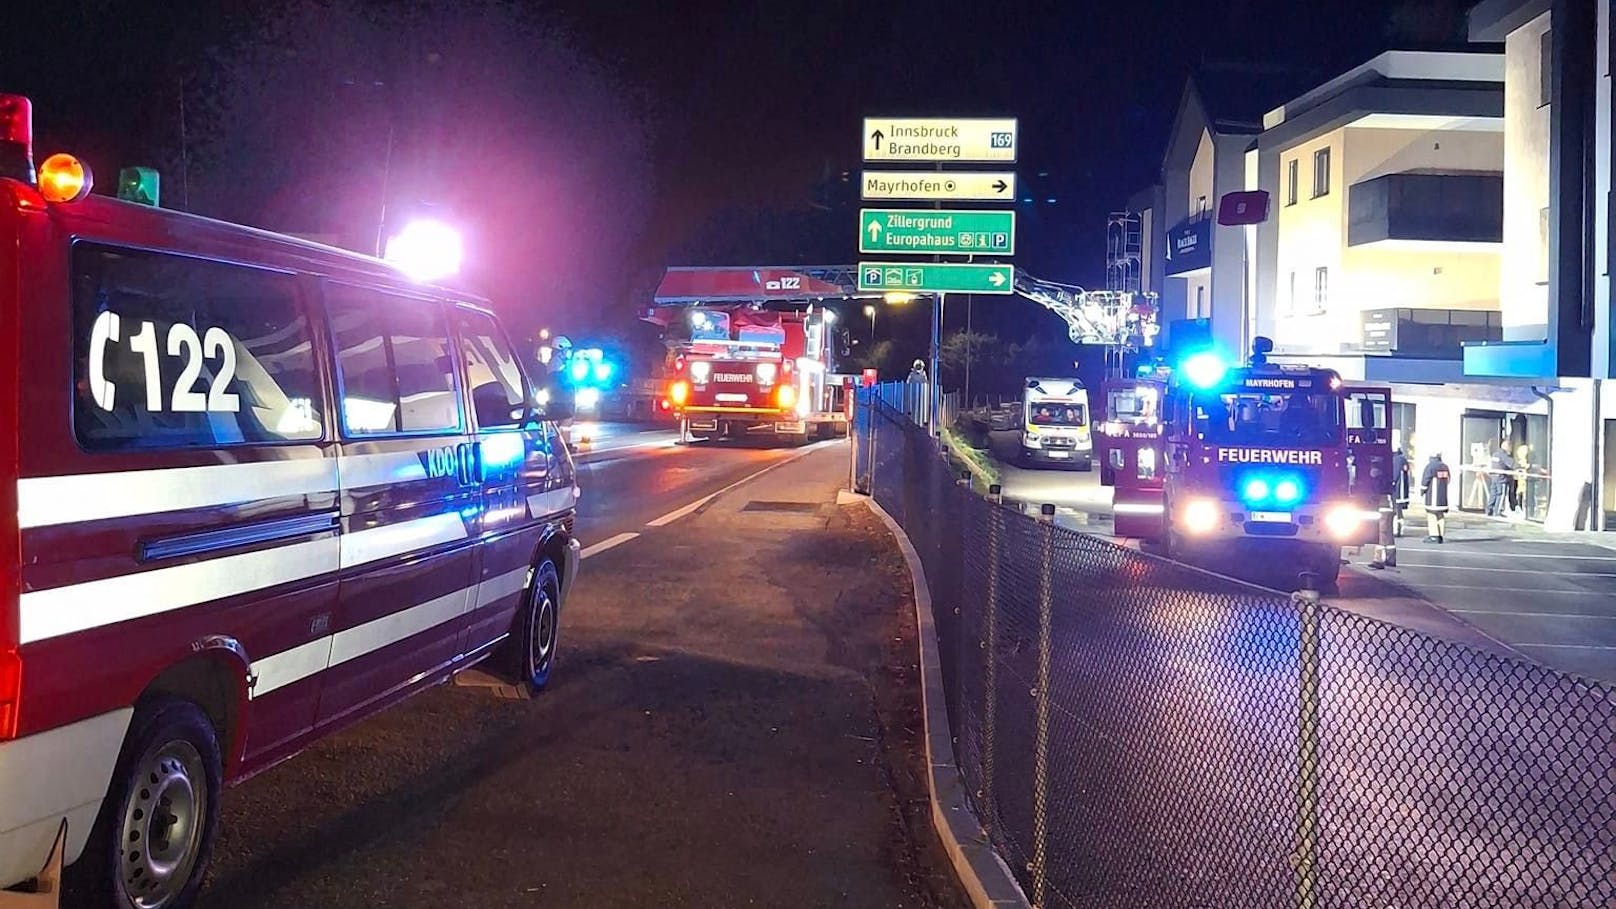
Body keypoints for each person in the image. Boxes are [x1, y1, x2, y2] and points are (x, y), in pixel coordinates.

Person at [1421, 452, 1452, 543]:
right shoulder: (1445, 467)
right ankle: (1440, 535)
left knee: (1431, 515)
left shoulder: (1430, 466)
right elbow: (1448, 480)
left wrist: (1422, 491)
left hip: (1433, 497)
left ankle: (1434, 536)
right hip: (1442, 497)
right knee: (1440, 515)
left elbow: (1425, 481)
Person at [1486, 441, 1515, 516]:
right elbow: (1512, 464)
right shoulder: (1503, 455)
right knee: (1501, 494)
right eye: (1510, 447)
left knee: (1493, 494)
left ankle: (1489, 510)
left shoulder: (1495, 454)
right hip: (1501, 478)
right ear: (1507, 447)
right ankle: (1497, 511)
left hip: (1494, 477)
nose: (1511, 449)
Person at [1391, 447, 1412, 537]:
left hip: (1397, 490)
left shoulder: (1396, 459)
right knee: (1399, 511)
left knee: (1395, 511)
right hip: (1402, 490)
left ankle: (1396, 530)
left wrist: (1391, 483)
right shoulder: (1403, 459)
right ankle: (1400, 529)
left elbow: (1394, 474)